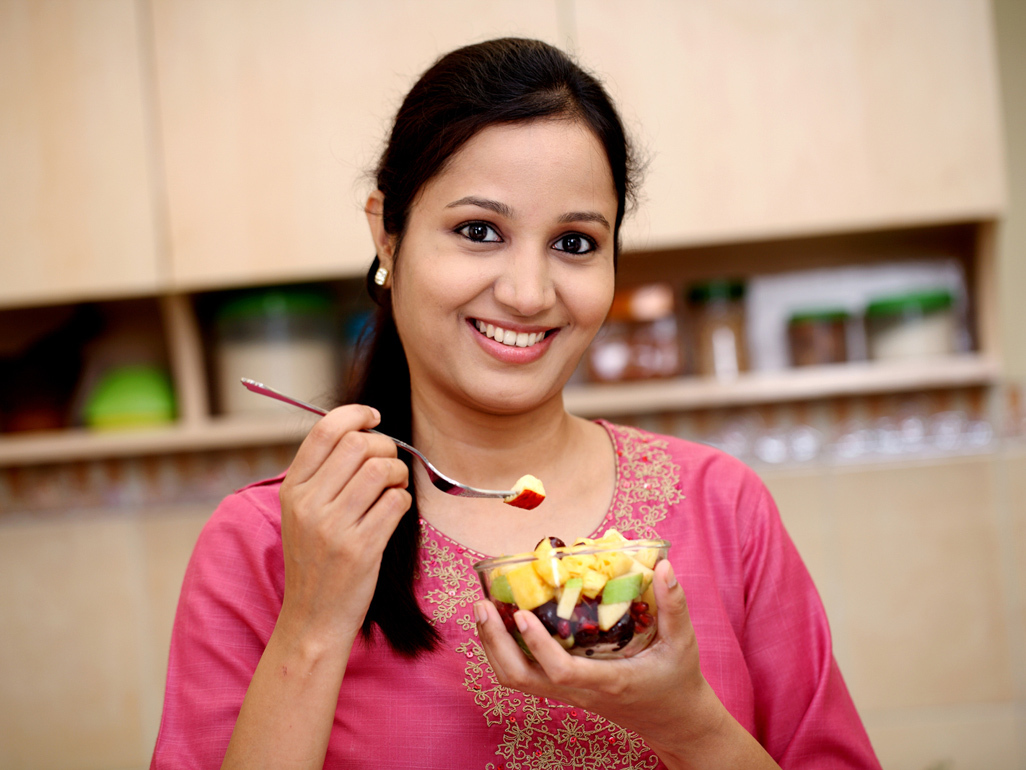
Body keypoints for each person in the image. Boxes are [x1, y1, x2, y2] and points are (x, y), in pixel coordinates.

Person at [151, 37, 882, 769]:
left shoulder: (725, 509)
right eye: (479, 232)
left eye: (574, 241)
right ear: (386, 231)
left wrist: (688, 723)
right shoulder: (266, 544)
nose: (529, 294)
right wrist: (312, 624)